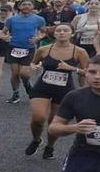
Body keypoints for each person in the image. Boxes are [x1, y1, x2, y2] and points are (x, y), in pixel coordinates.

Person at [26, 25, 88, 160]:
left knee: (54, 123)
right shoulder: (44, 49)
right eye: (58, 30)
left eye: (65, 30)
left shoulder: (79, 52)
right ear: (54, 34)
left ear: (71, 34)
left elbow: (88, 72)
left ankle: (50, 146)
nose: (61, 33)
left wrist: (72, 68)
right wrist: (34, 66)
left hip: (64, 89)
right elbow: (33, 63)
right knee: (38, 118)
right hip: (43, 86)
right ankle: (36, 140)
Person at [4, 0, 48, 103]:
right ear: (19, 7)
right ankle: (15, 94)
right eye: (24, 5)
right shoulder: (12, 19)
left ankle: (27, 84)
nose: (26, 6)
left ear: (33, 7)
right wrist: (5, 37)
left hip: (29, 48)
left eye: (29, 4)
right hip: (13, 47)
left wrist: (38, 38)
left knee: (24, 74)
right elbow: (4, 32)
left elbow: (44, 32)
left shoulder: (39, 19)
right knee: (14, 73)